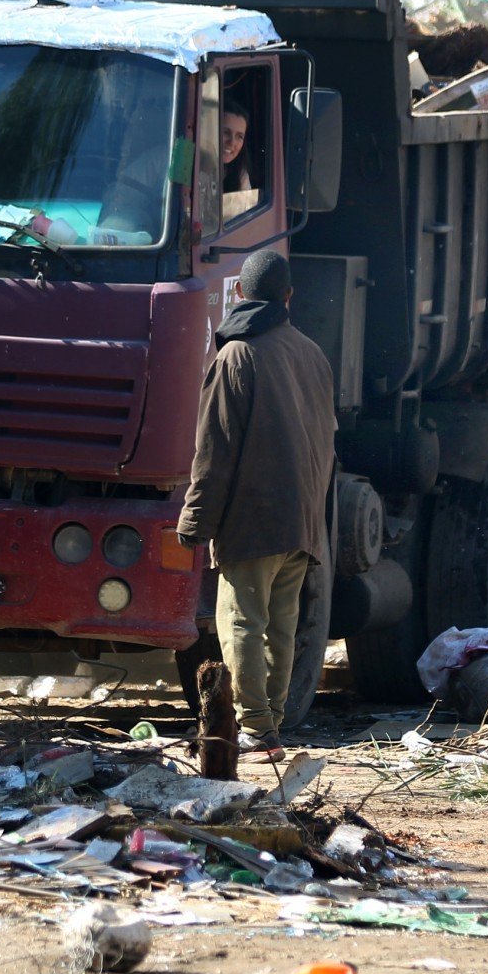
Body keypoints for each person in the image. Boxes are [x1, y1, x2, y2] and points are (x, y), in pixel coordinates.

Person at [176, 248, 337, 759]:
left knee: (241, 620)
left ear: (240, 294)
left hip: (254, 518)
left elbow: (214, 453)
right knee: (280, 623)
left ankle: (256, 728)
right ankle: (271, 724)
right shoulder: (312, 353)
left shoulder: (236, 356)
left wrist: (194, 521)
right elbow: (326, 444)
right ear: (289, 297)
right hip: (301, 520)